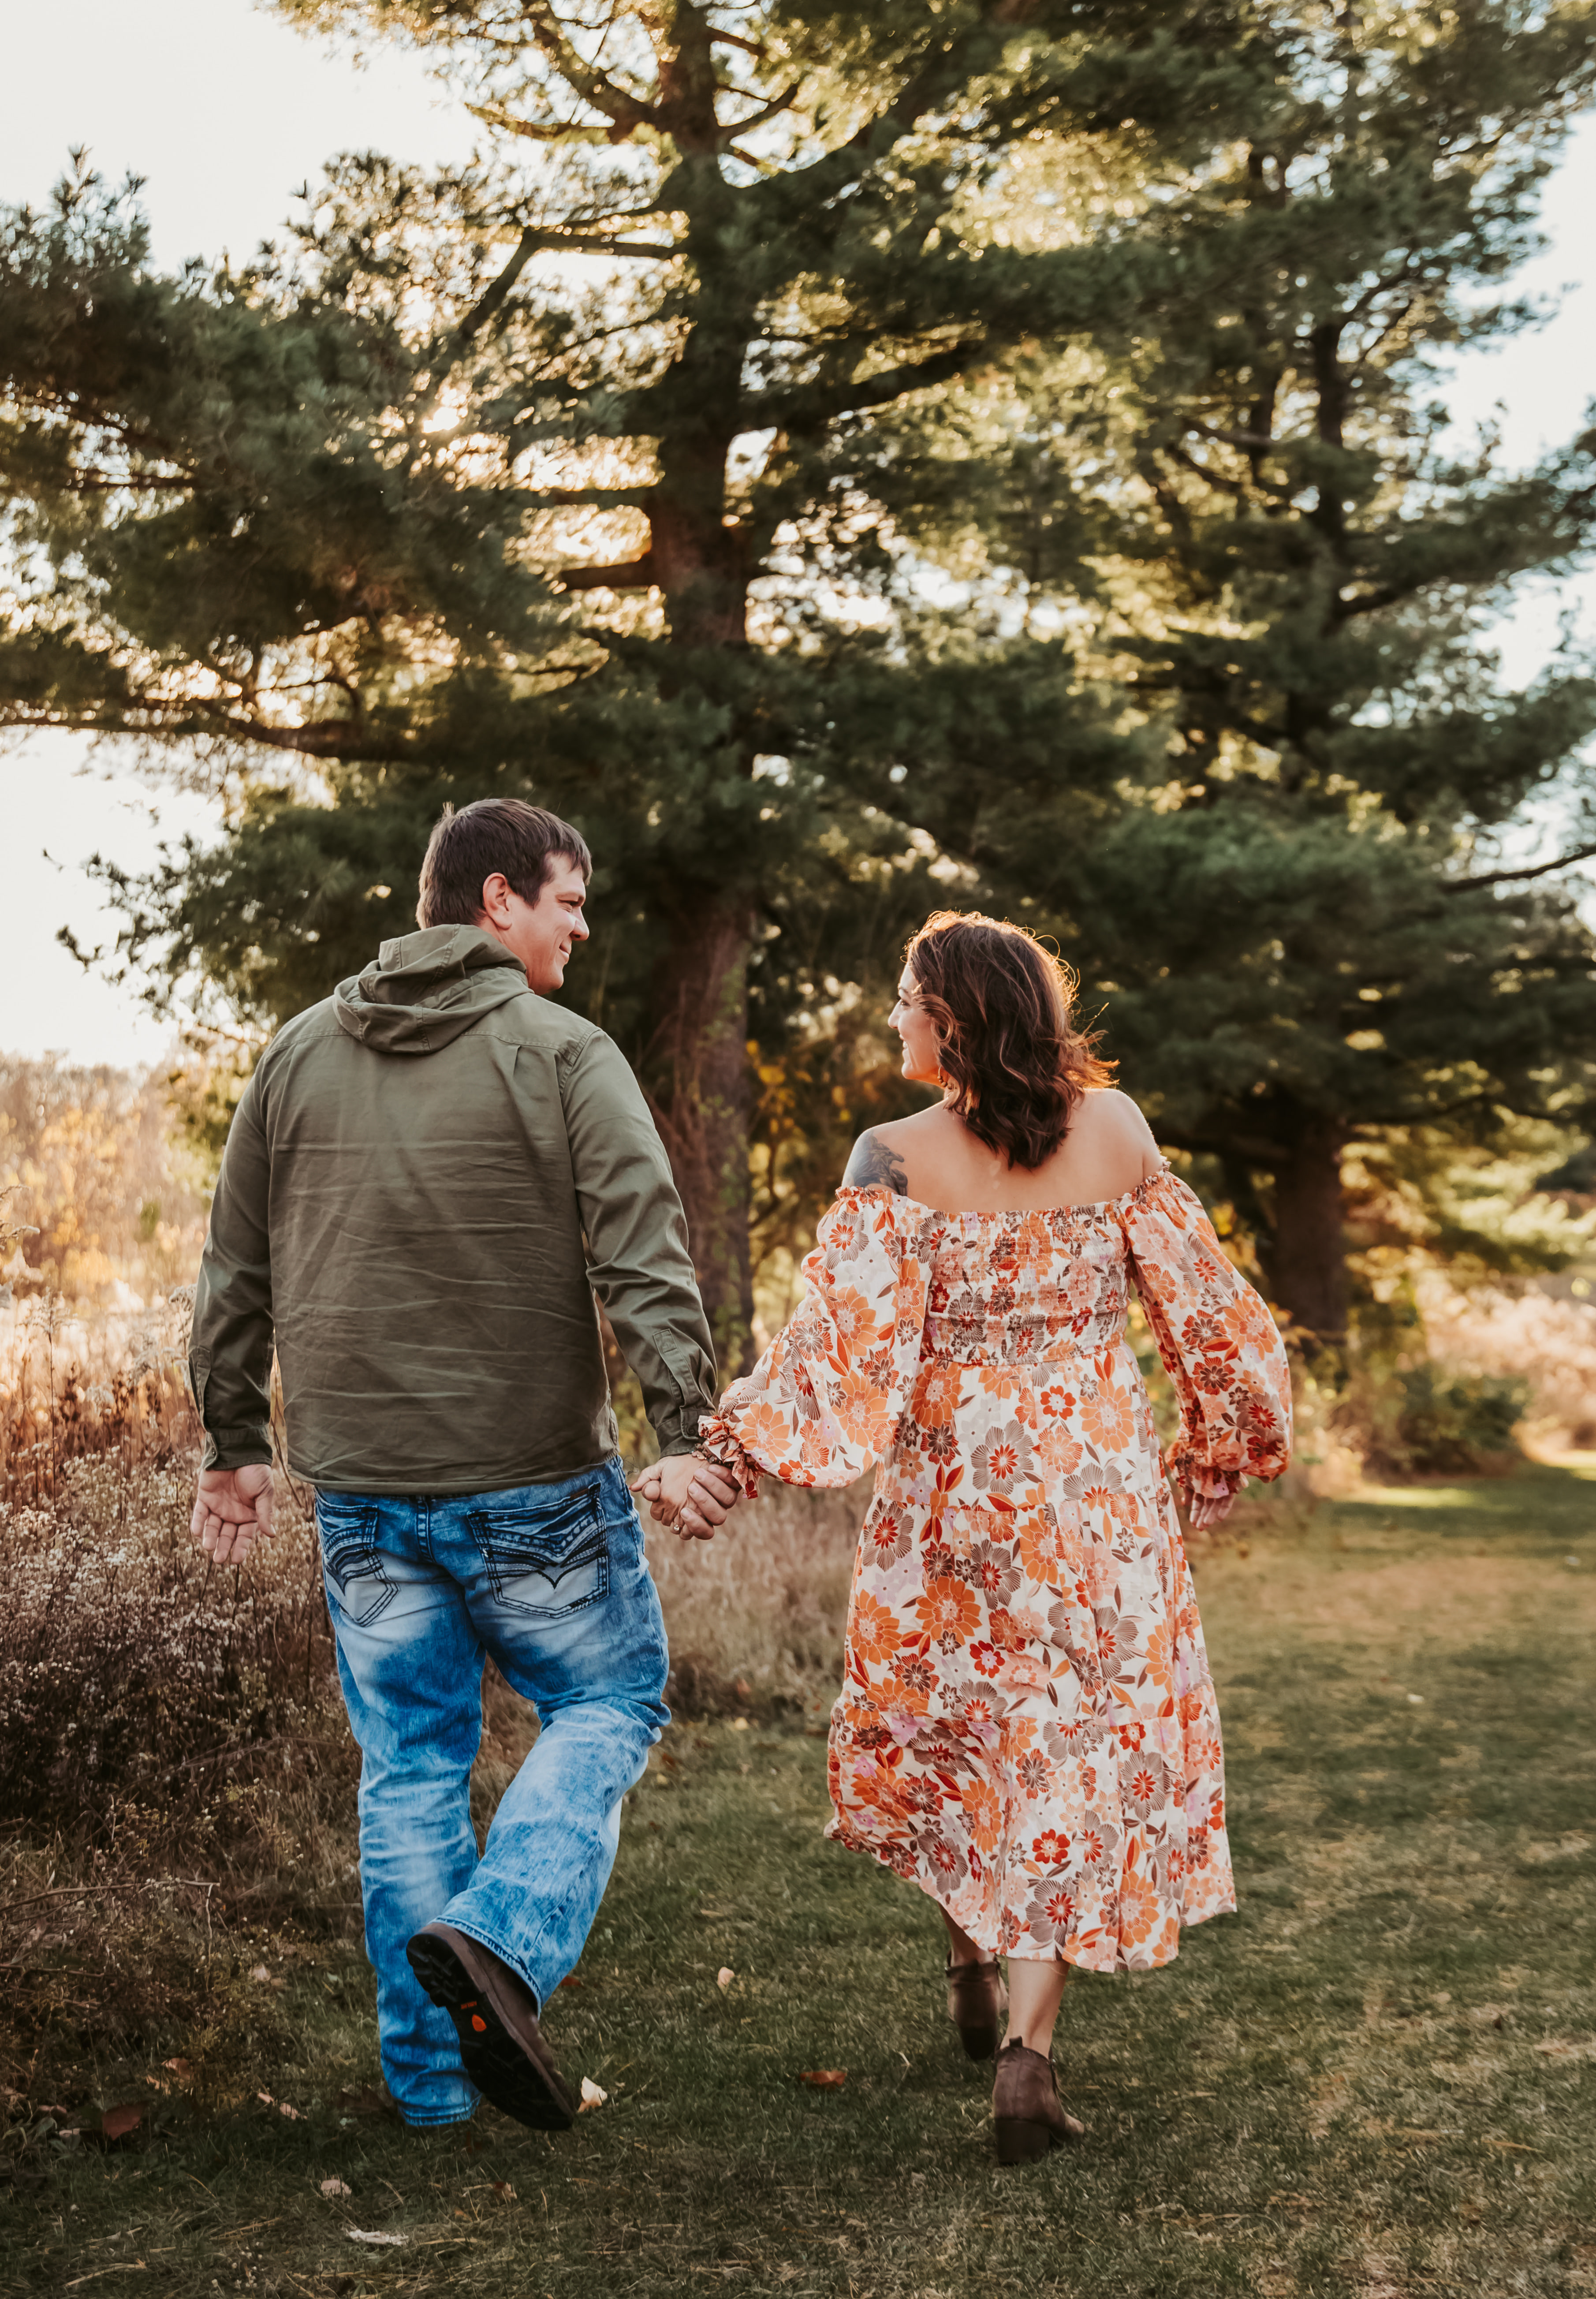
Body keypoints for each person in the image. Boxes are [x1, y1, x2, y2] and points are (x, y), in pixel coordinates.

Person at [642, 909, 1292, 2166]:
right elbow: (1206, 1308)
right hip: (1099, 1498)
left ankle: (967, 1963)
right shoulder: (1120, 1131)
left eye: (905, 997)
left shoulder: (891, 1157)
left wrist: (729, 1457)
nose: (892, 1015)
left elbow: (832, 1355)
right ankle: (1028, 2054)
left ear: (955, 1016)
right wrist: (1227, 1437)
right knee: (1069, 1751)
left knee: (963, 1728)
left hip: (957, 1495)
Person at [186, 798, 739, 2132]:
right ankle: (501, 1938)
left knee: (413, 1764)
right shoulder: (566, 1053)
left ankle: (431, 2087)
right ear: (498, 899)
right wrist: (686, 1431)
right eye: (568, 901)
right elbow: (645, 1257)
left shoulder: (298, 1051)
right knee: (609, 1699)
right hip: (531, 1480)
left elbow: (234, 1266)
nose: (580, 928)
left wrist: (235, 1444)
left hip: (361, 1487)